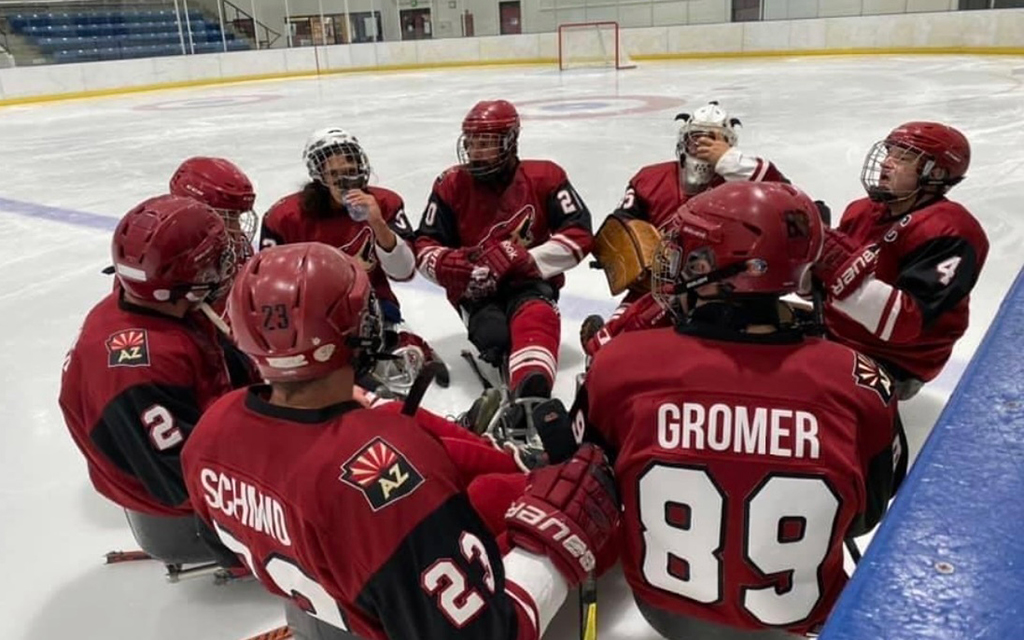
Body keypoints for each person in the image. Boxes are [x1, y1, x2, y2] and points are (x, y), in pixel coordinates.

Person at [181, 242, 620, 640]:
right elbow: (486, 636)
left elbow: (221, 546)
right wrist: (552, 543)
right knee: (559, 508)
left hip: (329, 611)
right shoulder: (387, 471)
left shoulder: (214, 424)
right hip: (392, 618)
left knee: (441, 458)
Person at [571, 182, 904, 639]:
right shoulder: (861, 380)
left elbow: (590, 480)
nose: (673, 264)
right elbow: (871, 513)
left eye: (691, 255)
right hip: (798, 621)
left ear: (727, 268)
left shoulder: (622, 362)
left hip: (665, 610)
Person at [59, 194, 240, 566]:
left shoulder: (147, 306)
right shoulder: (141, 371)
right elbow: (183, 483)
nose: (225, 267)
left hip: (183, 465)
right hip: (182, 520)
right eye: (214, 262)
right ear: (182, 279)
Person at [414, 99, 593, 412]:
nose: (476, 152)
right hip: (476, 290)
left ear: (511, 142)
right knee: (494, 337)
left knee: (536, 314)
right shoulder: (450, 184)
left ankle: (532, 389)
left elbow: (579, 234)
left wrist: (527, 260)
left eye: (486, 143)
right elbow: (425, 244)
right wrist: (447, 264)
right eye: (471, 143)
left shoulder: (545, 176)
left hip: (529, 282)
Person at [584, 101, 789, 351]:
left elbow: (785, 194)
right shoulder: (650, 179)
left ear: (729, 146)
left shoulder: (740, 187)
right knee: (608, 345)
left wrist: (729, 161)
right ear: (683, 141)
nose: (703, 148)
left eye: (714, 141)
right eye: (697, 139)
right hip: (656, 286)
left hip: (721, 287)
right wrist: (637, 261)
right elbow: (620, 226)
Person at [260, 127, 444, 395]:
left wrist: (378, 223)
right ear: (318, 176)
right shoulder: (285, 218)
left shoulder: (384, 203)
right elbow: (269, 288)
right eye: (334, 174)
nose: (345, 180)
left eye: (350, 169)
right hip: (313, 315)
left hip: (374, 306)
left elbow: (403, 272)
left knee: (392, 364)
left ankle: (401, 343)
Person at [815, 121, 989, 400]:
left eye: (904, 158)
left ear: (937, 173)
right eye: (889, 153)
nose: (886, 163)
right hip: (839, 332)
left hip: (893, 359)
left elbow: (903, 322)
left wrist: (829, 258)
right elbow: (826, 287)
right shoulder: (862, 210)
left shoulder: (951, 231)